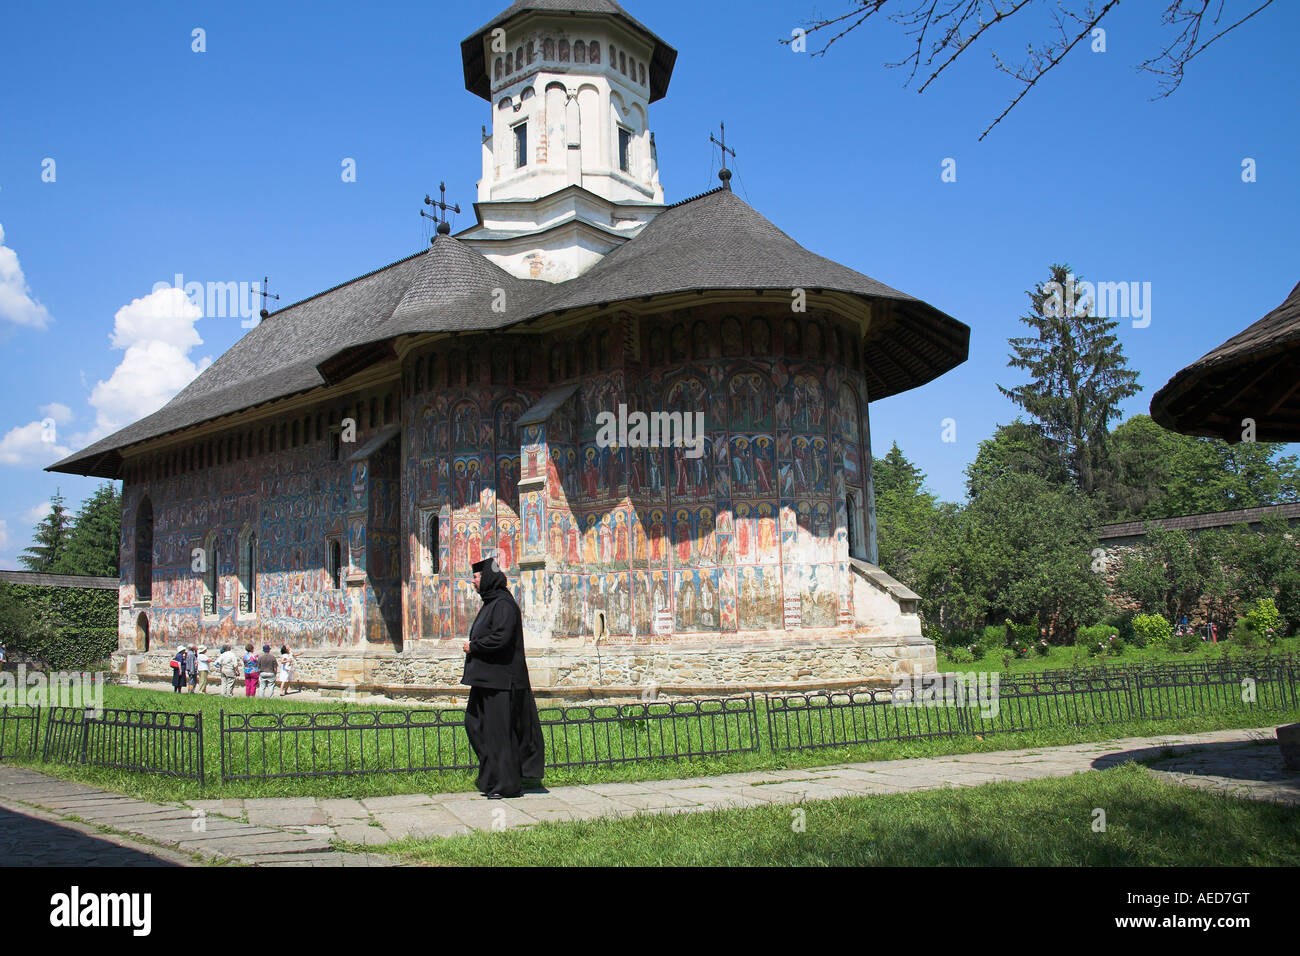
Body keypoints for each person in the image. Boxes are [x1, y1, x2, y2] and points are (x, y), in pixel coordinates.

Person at [461, 554, 544, 799]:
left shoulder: (504, 605)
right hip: (487, 680)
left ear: (487, 577)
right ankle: (492, 777)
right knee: (476, 724)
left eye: (476, 577)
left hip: (502, 682)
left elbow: (502, 638)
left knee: (499, 733)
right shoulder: (492, 603)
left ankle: (506, 785)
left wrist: (474, 647)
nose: (473, 582)